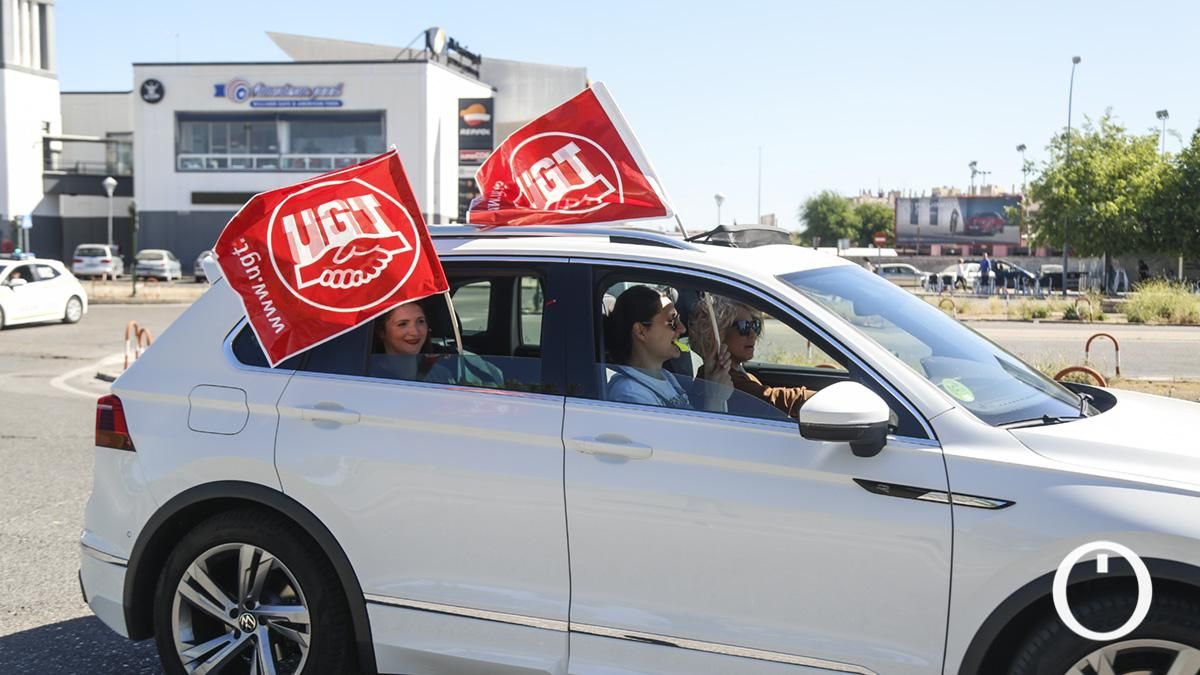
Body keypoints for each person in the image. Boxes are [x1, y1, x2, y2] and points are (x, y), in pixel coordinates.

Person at [604, 285, 730, 410]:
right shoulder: (630, 395)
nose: (682, 329)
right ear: (641, 331)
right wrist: (714, 400)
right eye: (673, 321)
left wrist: (710, 380)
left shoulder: (666, 376)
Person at [690, 296, 817, 418]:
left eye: (755, 326)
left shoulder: (734, 372)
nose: (753, 335)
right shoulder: (722, 381)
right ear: (717, 333)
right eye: (744, 327)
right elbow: (774, 400)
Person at [369, 300, 503, 386]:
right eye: (402, 324)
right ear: (382, 332)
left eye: (420, 321)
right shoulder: (366, 376)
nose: (415, 332)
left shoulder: (440, 373)